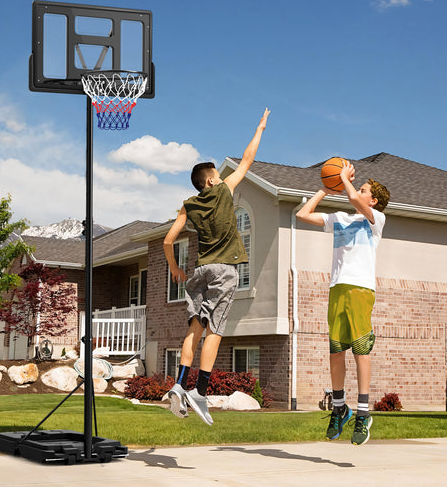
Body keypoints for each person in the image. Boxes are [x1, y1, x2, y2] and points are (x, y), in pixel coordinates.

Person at [163, 108, 270, 425]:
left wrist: (174, 268)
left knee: (194, 328)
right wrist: (260, 127)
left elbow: (169, 241)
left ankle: (179, 384)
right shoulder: (223, 190)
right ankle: (200, 391)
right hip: (224, 271)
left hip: (199, 273)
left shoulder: (188, 204)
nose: (223, 179)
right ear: (211, 180)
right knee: (215, 331)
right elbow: (247, 161)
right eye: (219, 176)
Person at [296, 161, 390, 445]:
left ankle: (363, 413)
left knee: (361, 350)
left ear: (372, 201)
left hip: (361, 290)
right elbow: (303, 214)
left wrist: (343, 179)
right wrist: (324, 189)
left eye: (363, 189)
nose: (356, 191)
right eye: (357, 187)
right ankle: (340, 408)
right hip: (337, 288)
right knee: (336, 351)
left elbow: (352, 197)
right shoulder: (339, 218)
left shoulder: (375, 220)